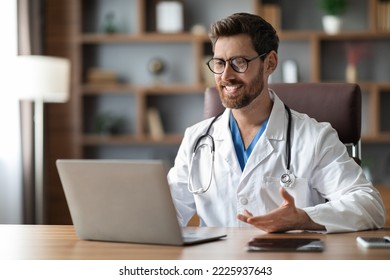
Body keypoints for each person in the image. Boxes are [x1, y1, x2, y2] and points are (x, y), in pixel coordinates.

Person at [167, 12, 385, 233]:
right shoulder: (196, 140)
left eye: (239, 62)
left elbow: (370, 206)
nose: (226, 76)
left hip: (287, 262)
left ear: (270, 63)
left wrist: (303, 218)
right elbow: (166, 213)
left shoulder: (314, 137)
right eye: (219, 63)